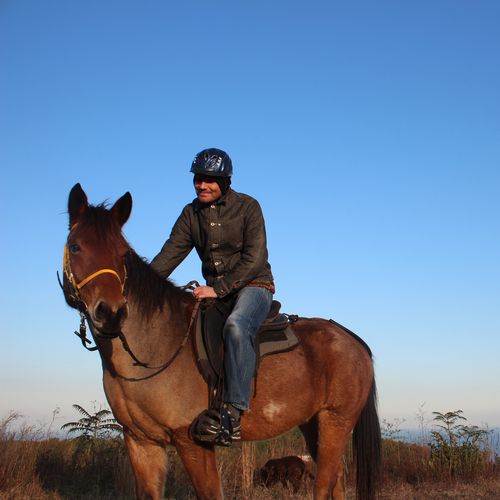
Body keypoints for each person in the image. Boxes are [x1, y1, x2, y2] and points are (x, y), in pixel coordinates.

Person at [150, 148, 274, 445]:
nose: (202, 185)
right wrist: (141, 285)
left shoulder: (248, 207)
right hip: (213, 293)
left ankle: (232, 413)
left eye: (210, 180)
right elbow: (169, 255)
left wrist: (218, 289)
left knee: (236, 326)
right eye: (198, 179)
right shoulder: (190, 214)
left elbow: (255, 258)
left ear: (225, 181)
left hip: (254, 286)